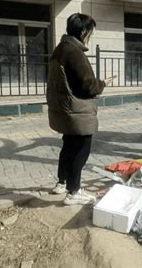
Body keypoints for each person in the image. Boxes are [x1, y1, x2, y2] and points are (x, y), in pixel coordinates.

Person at [47, 13, 113, 205]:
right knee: (80, 150)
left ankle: (62, 182)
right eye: (90, 32)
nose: (90, 36)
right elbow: (87, 85)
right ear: (83, 31)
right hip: (77, 110)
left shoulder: (60, 49)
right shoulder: (75, 52)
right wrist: (102, 83)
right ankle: (73, 192)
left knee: (68, 146)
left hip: (64, 108)